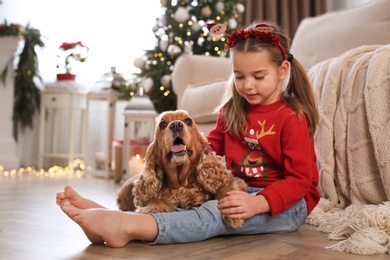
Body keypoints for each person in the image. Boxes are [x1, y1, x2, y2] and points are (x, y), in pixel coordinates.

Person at [56, 21, 320, 248]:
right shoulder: (232, 110)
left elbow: (300, 181)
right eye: (239, 76)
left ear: (282, 71)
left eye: (258, 76)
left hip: (286, 204)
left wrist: (258, 204)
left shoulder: (292, 117)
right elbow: (206, 149)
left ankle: (126, 225)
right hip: (239, 191)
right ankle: (111, 216)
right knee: (189, 202)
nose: (247, 85)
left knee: (212, 217)